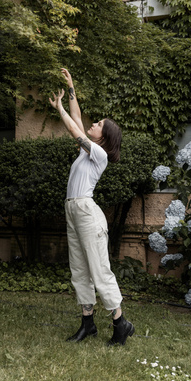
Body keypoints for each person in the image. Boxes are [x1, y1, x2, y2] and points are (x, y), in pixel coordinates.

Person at [49, 68, 134, 346]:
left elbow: (74, 128)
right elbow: (77, 119)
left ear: (103, 137)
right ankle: (88, 324)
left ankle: (120, 324)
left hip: (87, 213)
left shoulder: (99, 154)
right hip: (72, 211)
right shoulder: (87, 152)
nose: (92, 123)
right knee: (80, 270)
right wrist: (71, 86)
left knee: (99, 271)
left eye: (97, 123)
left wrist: (58, 106)